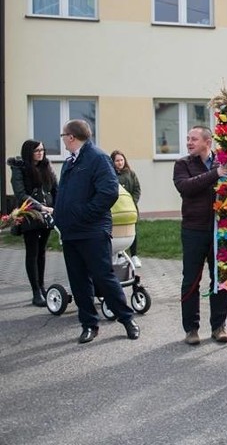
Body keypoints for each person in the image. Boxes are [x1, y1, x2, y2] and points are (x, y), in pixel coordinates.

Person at [53, 120, 140, 344]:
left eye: (63, 135)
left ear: (71, 137)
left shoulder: (97, 158)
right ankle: (89, 324)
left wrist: (84, 214)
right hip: (71, 232)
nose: (62, 139)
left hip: (92, 231)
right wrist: (59, 217)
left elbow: (108, 193)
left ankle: (127, 318)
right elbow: (65, 194)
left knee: (104, 276)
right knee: (79, 281)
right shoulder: (70, 162)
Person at [173, 126, 227, 345]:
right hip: (193, 230)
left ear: (208, 141)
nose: (189, 142)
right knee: (191, 280)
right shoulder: (183, 164)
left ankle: (218, 326)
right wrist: (214, 175)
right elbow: (186, 187)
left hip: (220, 229)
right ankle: (191, 329)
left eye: (193, 139)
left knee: (219, 280)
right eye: (188, 139)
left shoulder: (223, 163)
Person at [7, 140, 57, 306]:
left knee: (42, 252)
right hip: (30, 214)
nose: (40, 153)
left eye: (42, 150)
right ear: (29, 152)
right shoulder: (19, 169)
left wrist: (56, 206)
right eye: (36, 151)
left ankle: (42, 287)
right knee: (32, 252)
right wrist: (41, 207)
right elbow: (21, 194)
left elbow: (55, 188)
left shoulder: (46, 167)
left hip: (47, 215)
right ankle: (35, 291)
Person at [110, 150, 142, 268]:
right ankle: (117, 255)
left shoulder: (130, 174)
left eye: (121, 160)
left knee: (132, 231)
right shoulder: (110, 174)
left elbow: (137, 189)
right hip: (116, 209)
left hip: (130, 208)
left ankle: (134, 255)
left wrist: (132, 201)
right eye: (117, 161)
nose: (120, 163)